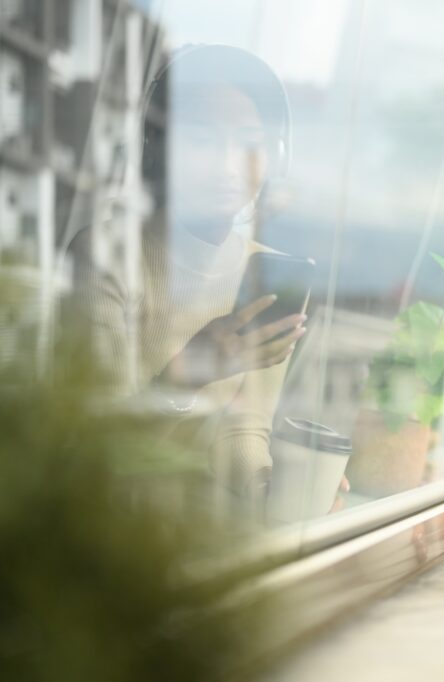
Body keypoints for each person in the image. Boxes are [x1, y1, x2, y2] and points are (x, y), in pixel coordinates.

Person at [65, 44, 307, 508]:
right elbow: (97, 447)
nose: (228, 163)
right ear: (157, 147)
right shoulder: (105, 255)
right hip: (107, 535)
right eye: (200, 138)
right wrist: (188, 373)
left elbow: (243, 430)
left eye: (250, 143)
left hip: (204, 538)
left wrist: (275, 492)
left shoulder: (266, 271)